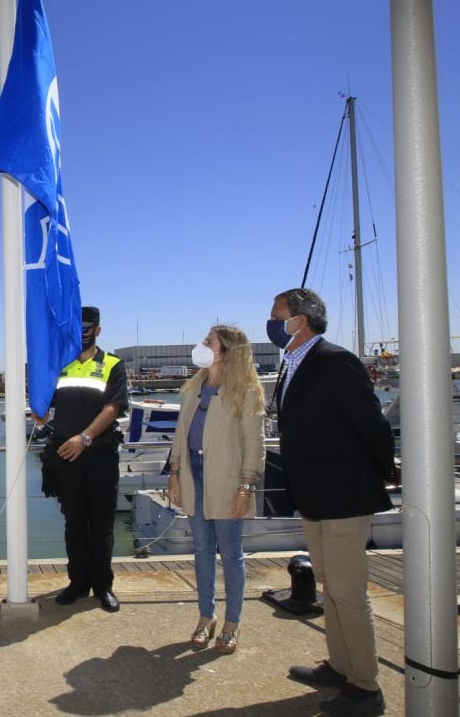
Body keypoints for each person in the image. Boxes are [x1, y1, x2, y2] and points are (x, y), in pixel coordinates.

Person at [270, 288, 392, 717]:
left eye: (276, 316)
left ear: (299, 321)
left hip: (344, 494)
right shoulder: (292, 365)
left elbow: (372, 426)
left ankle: (365, 687)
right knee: (331, 590)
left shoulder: (335, 360)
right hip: (315, 496)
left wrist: (377, 476)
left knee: (349, 593)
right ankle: (341, 666)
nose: (271, 324)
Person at [167, 325, 265, 655]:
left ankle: (232, 623)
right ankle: (206, 616)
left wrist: (246, 487)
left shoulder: (246, 392)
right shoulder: (192, 389)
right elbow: (181, 436)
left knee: (232, 556)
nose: (203, 345)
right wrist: (174, 473)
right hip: (193, 477)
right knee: (202, 552)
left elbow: (254, 445)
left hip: (226, 482)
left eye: (209, 341)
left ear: (226, 351)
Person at [40, 306, 128, 612]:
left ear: (98, 330)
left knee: (102, 524)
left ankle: (103, 587)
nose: (82, 333)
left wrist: (85, 438)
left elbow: (112, 408)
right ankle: (77, 583)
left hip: (100, 454)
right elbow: (43, 405)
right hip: (66, 457)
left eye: (88, 327)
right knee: (74, 522)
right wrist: (38, 410)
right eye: (76, 327)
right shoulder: (59, 365)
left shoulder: (113, 364)